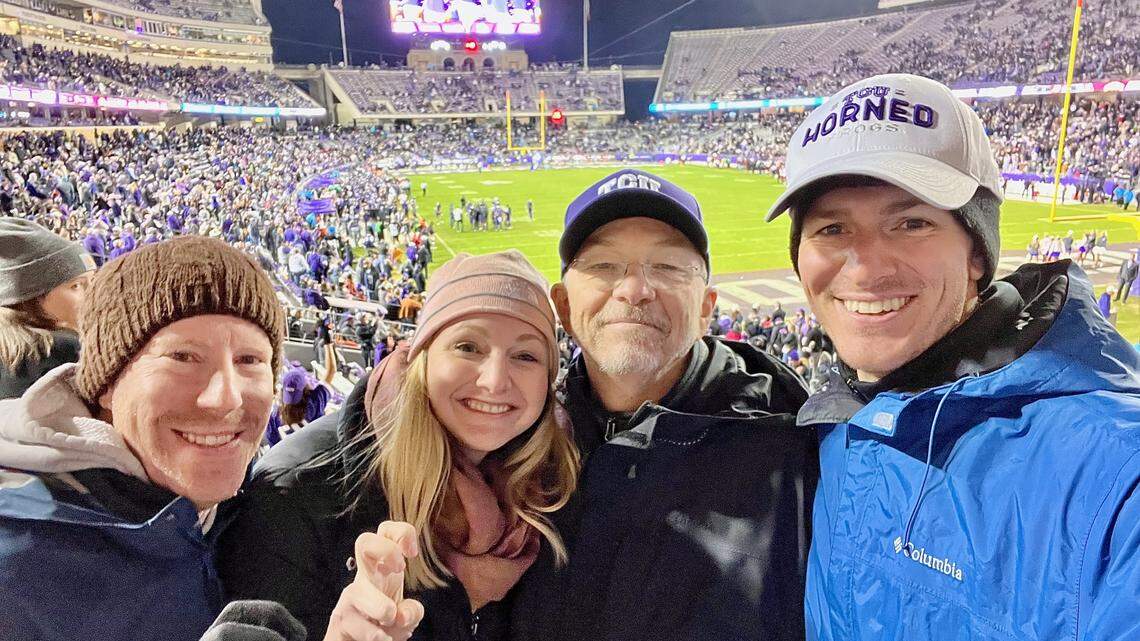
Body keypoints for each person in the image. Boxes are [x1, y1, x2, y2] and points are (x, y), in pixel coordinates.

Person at [765, 73, 1140, 640]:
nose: (866, 267)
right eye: (832, 227)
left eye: (911, 223)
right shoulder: (839, 424)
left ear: (976, 255)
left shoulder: (1114, 473)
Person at [511, 168, 817, 641]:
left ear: (705, 308)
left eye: (668, 268)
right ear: (564, 306)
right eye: (604, 266)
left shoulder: (795, 447)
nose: (634, 290)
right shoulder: (513, 439)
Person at [218, 250, 579, 641]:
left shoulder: (555, 484)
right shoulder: (299, 491)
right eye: (468, 347)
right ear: (422, 355)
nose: (494, 380)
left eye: (525, 355)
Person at [0, 236, 287, 641]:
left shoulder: (253, 510)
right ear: (107, 385)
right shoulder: (15, 571)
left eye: (250, 360)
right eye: (182, 357)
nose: (226, 398)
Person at [0, 218, 93, 399]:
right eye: (76, 286)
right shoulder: (64, 352)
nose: (91, 294)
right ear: (30, 298)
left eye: (92, 281)